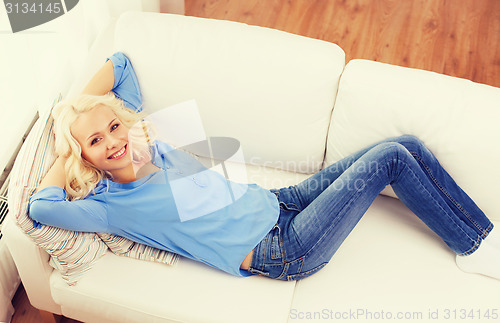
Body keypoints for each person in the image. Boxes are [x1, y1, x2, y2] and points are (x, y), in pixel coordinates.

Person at [28, 52, 500, 281]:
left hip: (278, 204)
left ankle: (482, 239)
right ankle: (479, 247)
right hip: (283, 249)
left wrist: (76, 107)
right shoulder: (109, 206)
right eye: (94, 141)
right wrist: (63, 140)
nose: (112, 141)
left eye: (112, 126)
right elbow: (40, 206)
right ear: (82, 156)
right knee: (392, 160)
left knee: (406, 143)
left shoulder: (144, 141)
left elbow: (120, 65)